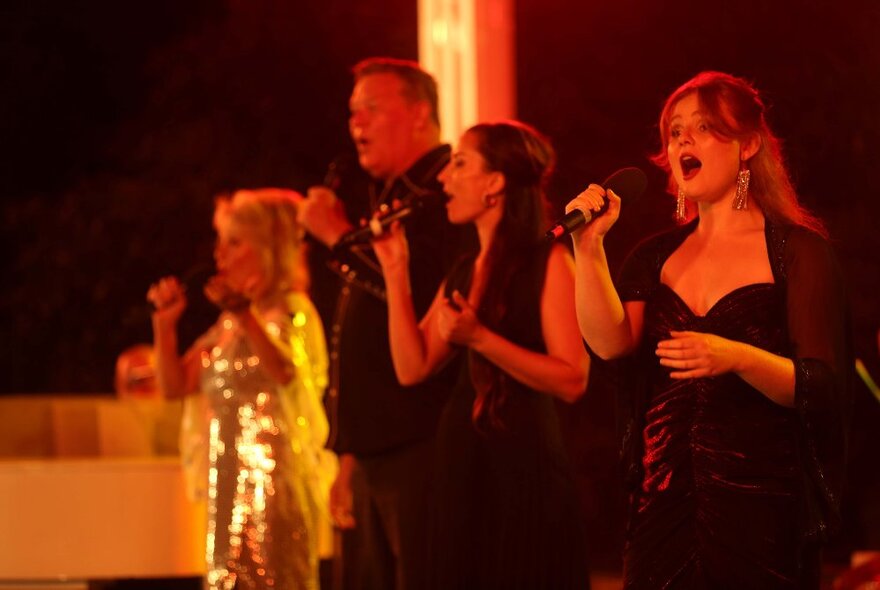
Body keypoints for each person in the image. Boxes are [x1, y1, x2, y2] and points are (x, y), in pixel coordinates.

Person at [566, 71, 850, 588]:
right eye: (675, 132)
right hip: (663, 503)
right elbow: (609, 344)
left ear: (748, 146)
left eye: (702, 128)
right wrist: (589, 248)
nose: (683, 142)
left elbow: (821, 384)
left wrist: (737, 357)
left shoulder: (798, 253)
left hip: (761, 511)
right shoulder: (653, 256)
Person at [372, 120, 591, 588]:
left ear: (494, 183)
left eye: (459, 164)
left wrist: (481, 339)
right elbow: (412, 367)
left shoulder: (549, 260)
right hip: (462, 463)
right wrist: (395, 269)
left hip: (523, 466)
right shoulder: (463, 270)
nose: (443, 179)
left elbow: (573, 378)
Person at [297, 57, 462, 590]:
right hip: (374, 448)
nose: (357, 123)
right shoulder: (392, 198)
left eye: (371, 108)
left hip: (421, 439)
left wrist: (338, 236)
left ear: (420, 115)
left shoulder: (446, 191)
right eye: (352, 112)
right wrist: (349, 455)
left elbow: (423, 297)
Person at [147, 188, 334, 590]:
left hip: (275, 488)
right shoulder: (228, 326)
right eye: (221, 242)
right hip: (229, 487)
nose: (221, 255)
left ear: (269, 250)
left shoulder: (291, 310)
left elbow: (285, 370)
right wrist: (165, 326)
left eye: (235, 243)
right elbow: (175, 385)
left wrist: (244, 315)